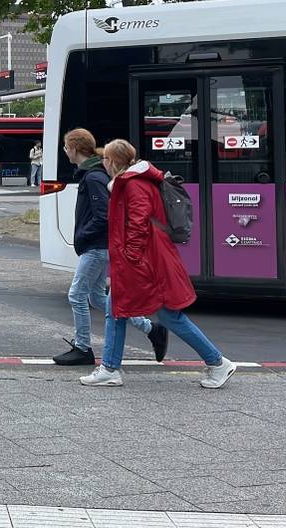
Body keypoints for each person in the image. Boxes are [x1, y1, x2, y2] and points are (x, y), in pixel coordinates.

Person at [81, 139, 236, 389]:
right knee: (119, 310)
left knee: (166, 314)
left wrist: (129, 259)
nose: (104, 163)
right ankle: (110, 368)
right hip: (149, 258)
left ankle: (218, 362)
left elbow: (138, 224)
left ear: (114, 161)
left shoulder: (133, 185)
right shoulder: (136, 181)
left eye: (106, 159)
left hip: (145, 261)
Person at [52, 129, 166, 366]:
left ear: (74, 148)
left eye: (66, 147)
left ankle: (83, 347)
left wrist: (82, 235)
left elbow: (103, 216)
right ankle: (151, 329)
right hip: (100, 245)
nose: (65, 151)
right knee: (96, 296)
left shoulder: (92, 177)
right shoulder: (95, 173)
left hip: (96, 246)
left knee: (76, 295)